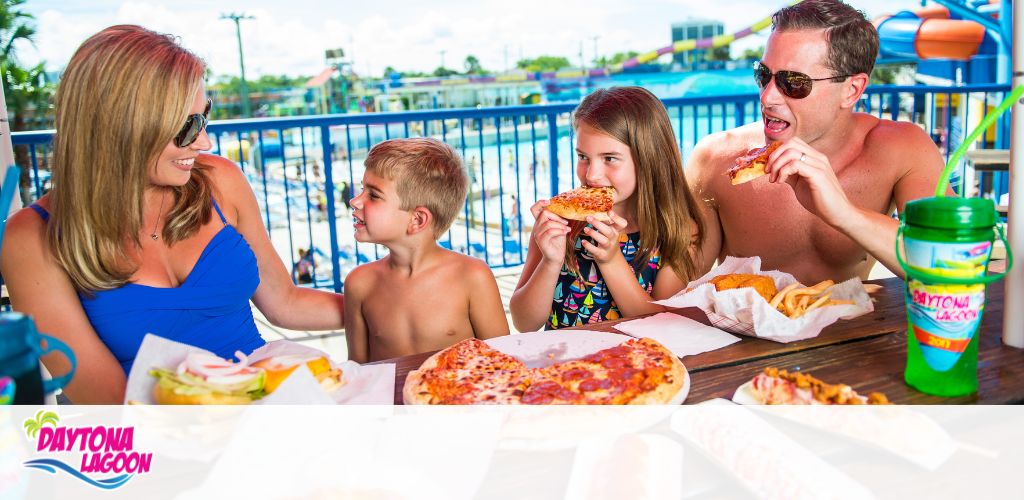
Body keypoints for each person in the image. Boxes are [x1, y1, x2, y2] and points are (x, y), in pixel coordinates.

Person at [0, 25, 345, 404]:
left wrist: (386, 300)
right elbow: (110, 402)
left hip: (269, 408)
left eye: (203, 118)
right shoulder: (31, 237)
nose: (204, 142)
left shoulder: (220, 181)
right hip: (156, 443)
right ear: (120, 128)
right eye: (186, 127)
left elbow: (285, 303)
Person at [685, 0, 946, 285]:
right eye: (763, 75)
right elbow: (675, 286)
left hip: (857, 327)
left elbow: (949, 266)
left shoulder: (902, 149)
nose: (767, 97)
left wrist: (845, 214)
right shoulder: (716, 159)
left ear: (852, 90)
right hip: (740, 329)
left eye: (793, 82)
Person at [509, 87, 706, 331]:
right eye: (583, 156)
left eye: (609, 158)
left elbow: (662, 324)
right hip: (563, 362)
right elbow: (524, 322)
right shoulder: (560, 221)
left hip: (639, 364)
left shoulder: (678, 230)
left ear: (649, 159)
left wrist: (610, 259)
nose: (591, 174)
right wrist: (550, 261)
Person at [343, 138, 509, 362]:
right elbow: (358, 373)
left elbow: (502, 365)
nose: (355, 201)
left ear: (418, 219)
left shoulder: (472, 277)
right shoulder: (359, 283)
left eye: (373, 195)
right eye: (363, 190)